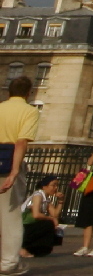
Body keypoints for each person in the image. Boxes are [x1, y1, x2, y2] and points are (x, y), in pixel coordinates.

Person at [0, 75, 38, 276]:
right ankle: (8, 263)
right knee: (11, 217)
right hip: (8, 162)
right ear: (28, 93)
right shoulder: (30, 111)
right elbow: (21, 142)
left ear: (8, 92)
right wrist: (14, 171)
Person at [20, 179, 63, 258]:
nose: (56, 188)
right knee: (48, 224)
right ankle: (22, 247)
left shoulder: (46, 199)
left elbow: (55, 214)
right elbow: (36, 215)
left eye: (57, 185)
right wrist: (50, 219)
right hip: (24, 223)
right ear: (44, 187)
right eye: (53, 185)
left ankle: (36, 249)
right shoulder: (38, 195)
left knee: (52, 226)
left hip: (31, 223)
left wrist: (60, 201)